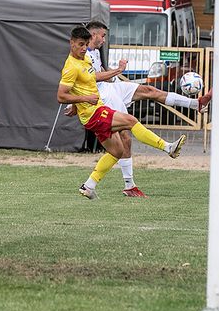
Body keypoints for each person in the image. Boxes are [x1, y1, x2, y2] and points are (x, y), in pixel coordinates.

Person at [77, 21, 211, 197]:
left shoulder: (95, 51)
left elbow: (100, 72)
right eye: (102, 36)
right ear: (93, 35)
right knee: (126, 135)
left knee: (150, 91)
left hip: (111, 87)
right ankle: (131, 183)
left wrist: (116, 78)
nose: (104, 39)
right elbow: (92, 78)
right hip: (103, 96)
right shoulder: (84, 54)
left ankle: (196, 104)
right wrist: (118, 70)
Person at [57, 26, 186, 200]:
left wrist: (76, 105)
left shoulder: (85, 60)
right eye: (80, 44)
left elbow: (87, 84)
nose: (83, 48)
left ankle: (89, 186)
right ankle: (167, 147)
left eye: (85, 45)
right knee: (131, 121)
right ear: (71, 43)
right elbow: (61, 96)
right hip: (94, 113)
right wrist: (83, 99)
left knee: (117, 151)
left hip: (96, 111)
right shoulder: (70, 67)